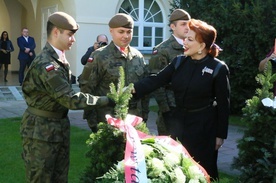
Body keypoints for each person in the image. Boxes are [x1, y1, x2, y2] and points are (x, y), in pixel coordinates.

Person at [20, 11, 113, 182]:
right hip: (41, 132)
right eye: (70, 35)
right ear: (56, 32)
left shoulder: (58, 59)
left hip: (56, 128)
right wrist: (106, 100)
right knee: (41, 178)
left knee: (59, 178)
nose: (73, 39)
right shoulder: (46, 64)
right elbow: (69, 98)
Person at [133, 19, 230, 181]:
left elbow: (224, 104)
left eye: (190, 40)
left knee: (203, 170)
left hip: (204, 127)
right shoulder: (179, 62)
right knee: (177, 169)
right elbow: (156, 80)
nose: (184, 42)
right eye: (185, 38)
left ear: (202, 45)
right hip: (178, 123)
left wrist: (220, 135)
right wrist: (133, 89)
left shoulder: (218, 68)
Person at [80, 13, 149, 132]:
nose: (125, 36)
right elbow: (87, 88)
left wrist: (144, 116)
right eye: (121, 32)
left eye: (129, 32)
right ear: (111, 31)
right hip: (107, 120)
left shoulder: (137, 56)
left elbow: (145, 90)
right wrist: (93, 123)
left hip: (134, 120)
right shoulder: (99, 56)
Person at [148, 9, 190, 135]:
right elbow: (156, 81)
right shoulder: (162, 49)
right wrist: (166, 110)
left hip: (190, 107)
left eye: (189, 24)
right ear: (173, 26)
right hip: (171, 106)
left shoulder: (193, 46)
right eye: (183, 24)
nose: (187, 27)